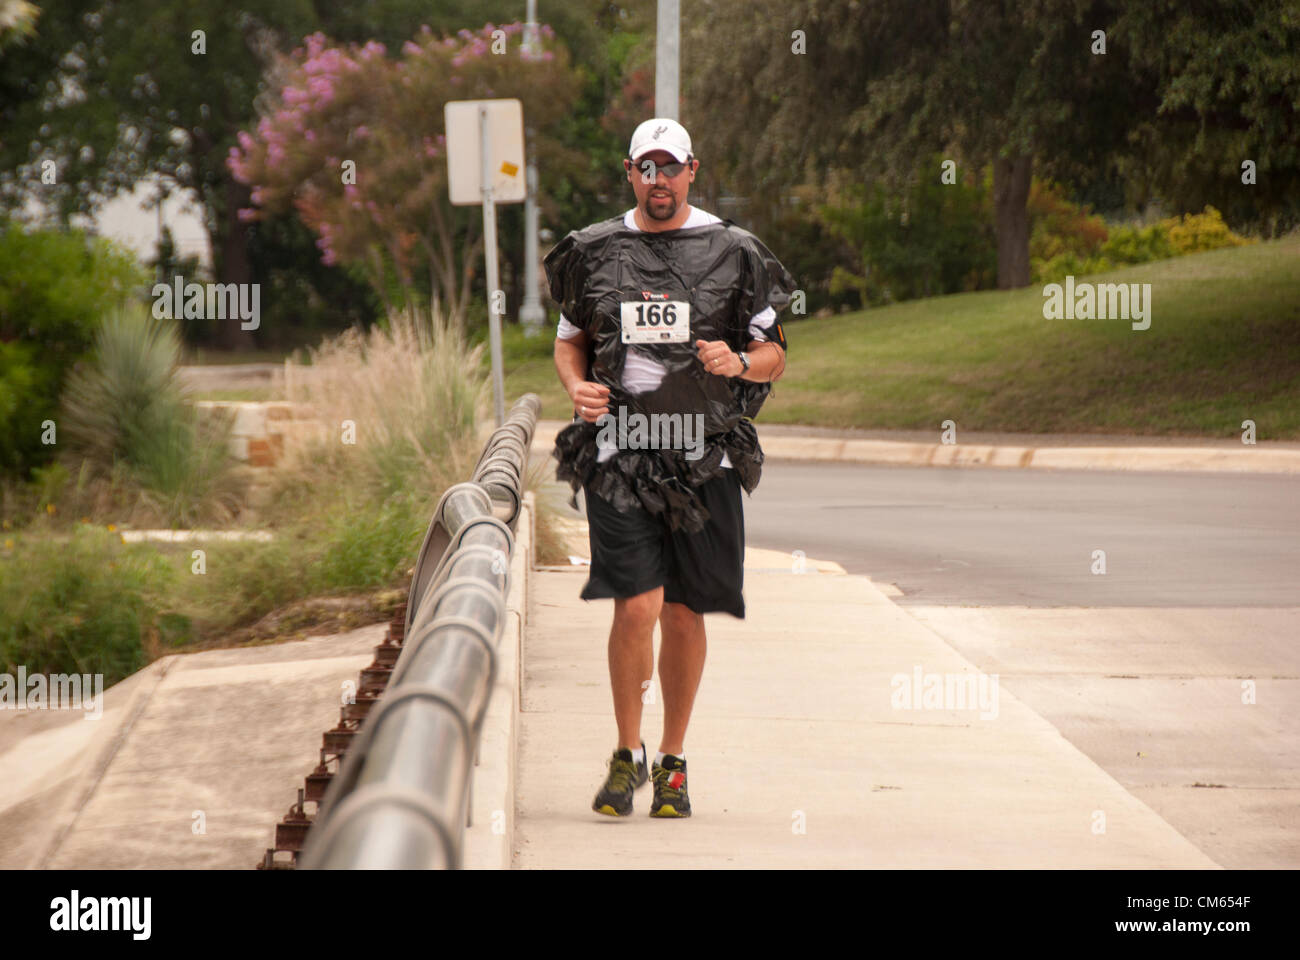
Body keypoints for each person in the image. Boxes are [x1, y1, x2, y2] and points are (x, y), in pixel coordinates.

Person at [544, 117, 795, 818]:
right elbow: (571, 342)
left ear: (692, 171)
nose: (659, 181)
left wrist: (739, 360)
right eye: (646, 168)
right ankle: (628, 756)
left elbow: (775, 351)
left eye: (671, 168)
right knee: (638, 604)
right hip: (622, 453)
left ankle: (674, 760)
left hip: (705, 458)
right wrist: (576, 385)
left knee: (684, 614)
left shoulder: (735, 251)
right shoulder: (594, 251)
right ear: (630, 171)